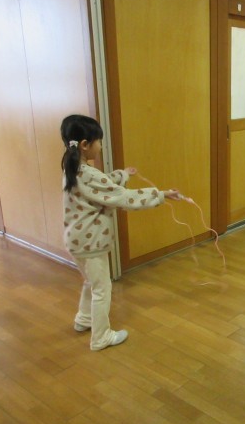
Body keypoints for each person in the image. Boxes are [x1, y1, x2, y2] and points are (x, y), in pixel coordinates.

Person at [61, 115, 181, 351]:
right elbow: (122, 197)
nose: (101, 146)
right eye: (99, 141)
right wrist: (161, 194)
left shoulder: (72, 167)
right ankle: (101, 337)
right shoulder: (88, 174)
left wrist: (123, 174)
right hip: (91, 243)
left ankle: (84, 319)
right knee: (102, 288)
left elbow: (103, 184)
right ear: (85, 144)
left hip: (76, 241)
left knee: (91, 282)